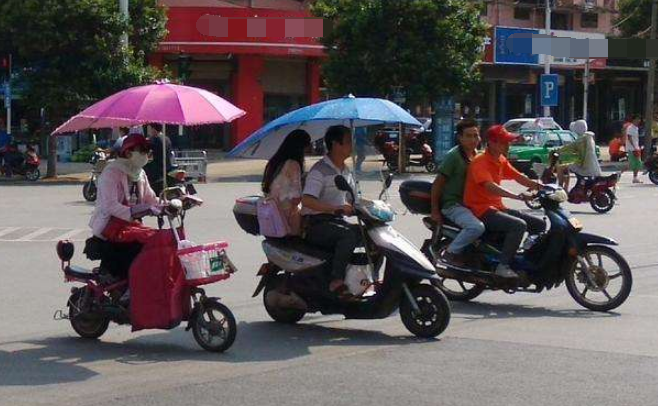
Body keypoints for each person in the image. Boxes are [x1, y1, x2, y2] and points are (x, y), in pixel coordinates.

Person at [464, 125, 545, 278]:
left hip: (496, 207)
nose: (509, 145)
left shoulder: (500, 159)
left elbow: (518, 177)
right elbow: (490, 187)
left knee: (539, 224)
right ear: (492, 143)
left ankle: (523, 258)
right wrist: (517, 196)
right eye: (504, 142)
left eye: (508, 142)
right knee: (518, 225)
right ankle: (503, 265)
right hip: (481, 210)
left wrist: (542, 187)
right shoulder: (480, 162)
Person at [88, 133, 160, 285]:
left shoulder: (140, 173)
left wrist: (171, 203)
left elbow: (150, 198)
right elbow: (111, 206)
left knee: (156, 241)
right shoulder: (111, 173)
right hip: (110, 227)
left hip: (131, 226)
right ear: (128, 153)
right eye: (142, 151)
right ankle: (129, 286)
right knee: (139, 248)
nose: (146, 155)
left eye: (147, 151)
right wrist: (137, 211)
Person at [302, 125, 360, 301]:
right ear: (336, 144)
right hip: (316, 223)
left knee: (369, 236)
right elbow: (307, 200)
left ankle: (361, 278)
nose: (353, 145)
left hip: (336, 220)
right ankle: (336, 280)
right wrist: (336, 208)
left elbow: (352, 198)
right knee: (348, 236)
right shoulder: (319, 171)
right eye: (349, 141)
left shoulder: (346, 171)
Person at [430, 119, 485, 268]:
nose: (473, 140)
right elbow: (438, 184)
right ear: (460, 138)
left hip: (471, 204)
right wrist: (435, 211)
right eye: (468, 136)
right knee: (476, 228)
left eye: (476, 135)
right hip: (453, 205)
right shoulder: (453, 156)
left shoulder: (477, 155)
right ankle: (451, 253)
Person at [262, 129, 312, 236]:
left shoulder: (274, 162)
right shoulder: (293, 165)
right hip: (286, 214)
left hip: (272, 211)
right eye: (307, 146)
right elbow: (296, 197)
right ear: (300, 147)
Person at [556, 119, 602, 190]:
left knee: (560, 167)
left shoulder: (580, 140)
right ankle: (565, 188)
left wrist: (556, 151)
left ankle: (561, 187)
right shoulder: (589, 138)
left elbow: (568, 147)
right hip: (592, 166)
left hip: (584, 167)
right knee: (567, 166)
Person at [144, 123, 173, 189]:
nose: (150, 131)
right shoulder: (167, 138)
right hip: (168, 165)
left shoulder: (155, 139)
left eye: (150, 129)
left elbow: (147, 150)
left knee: (144, 170)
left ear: (153, 129)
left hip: (158, 166)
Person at [624, 115, 643, 183]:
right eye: (637, 119)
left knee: (637, 163)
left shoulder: (636, 128)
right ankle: (619, 174)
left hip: (636, 147)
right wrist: (634, 147)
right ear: (633, 120)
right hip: (632, 148)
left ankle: (635, 178)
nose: (639, 121)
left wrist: (637, 146)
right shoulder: (630, 128)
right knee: (634, 163)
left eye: (639, 119)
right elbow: (629, 138)